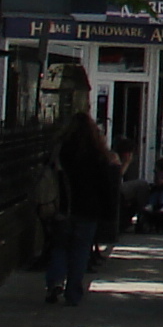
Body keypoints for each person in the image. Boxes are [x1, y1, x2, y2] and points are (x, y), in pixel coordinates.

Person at [45, 112, 121, 304]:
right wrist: (110, 212)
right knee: (80, 251)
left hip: (64, 206)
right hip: (88, 209)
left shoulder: (62, 150)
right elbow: (106, 185)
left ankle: (54, 283)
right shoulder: (97, 154)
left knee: (60, 247)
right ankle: (73, 293)